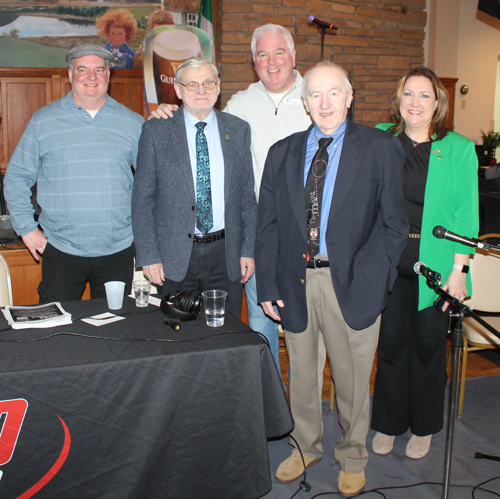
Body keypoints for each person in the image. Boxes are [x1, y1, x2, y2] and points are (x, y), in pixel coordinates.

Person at [255, 61, 408, 496]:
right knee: (301, 373)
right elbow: (266, 225)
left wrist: (376, 280)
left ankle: (353, 454)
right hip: (294, 281)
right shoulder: (282, 151)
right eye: (315, 95)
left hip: (354, 283)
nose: (325, 103)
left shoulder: (379, 148)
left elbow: (394, 224)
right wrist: (267, 285)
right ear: (304, 102)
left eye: (333, 93)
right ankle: (305, 447)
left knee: (353, 378)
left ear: (350, 96)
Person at [151, 24, 313, 378]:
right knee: (257, 323)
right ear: (253, 62)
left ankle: (298, 411)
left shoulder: (315, 96)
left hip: (305, 237)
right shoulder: (240, 107)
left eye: (279, 52)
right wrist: (166, 110)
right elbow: (146, 194)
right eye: (262, 55)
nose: (271, 62)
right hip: (254, 236)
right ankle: (263, 398)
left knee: (308, 329)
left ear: (294, 56)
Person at [370, 67, 479, 459]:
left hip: (438, 265)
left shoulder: (459, 148)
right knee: (391, 345)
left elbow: (467, 215)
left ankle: (424, 426)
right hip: (389, 262)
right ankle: (388, 423)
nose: (415, 103)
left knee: (430, 346)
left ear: (438, 103)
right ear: (398, 99)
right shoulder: (380, 137)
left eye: (424, 96)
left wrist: (459, 270)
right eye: (408, 94)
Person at [4, 43, 144, 303]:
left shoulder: (133, 122)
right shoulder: (42, 121)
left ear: (108, 75)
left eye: (99, 70)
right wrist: (26, 228)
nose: (92, 76)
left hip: (119, 250)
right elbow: (16, 178)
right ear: (70, 75)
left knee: (115, 333)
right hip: (60, 250)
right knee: (60, 332)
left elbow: (150, 185)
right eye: (83, 69)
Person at [132, 58, 256, 317]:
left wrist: (247, 250)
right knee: (177, 338)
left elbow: (246, 196)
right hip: (173, 256)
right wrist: (149, 255)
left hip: (226, 254)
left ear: (219, 86)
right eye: (192, 84)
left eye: (208, 82)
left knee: (226, 333)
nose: (201, 90)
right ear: (178, 90)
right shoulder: (156, 131)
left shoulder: (238, 130)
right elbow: (142, 199)